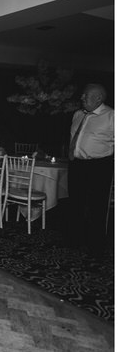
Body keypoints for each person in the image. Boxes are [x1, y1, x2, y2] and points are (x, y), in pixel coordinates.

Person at [68, 83, 114, 251]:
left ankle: (95, 244)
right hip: (76, 164)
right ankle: (75, 239)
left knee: (97, 205)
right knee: (75, 202)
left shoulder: (111, 115)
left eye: (85, 95)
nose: (81, 98)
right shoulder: (78, 114)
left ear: (98, 98)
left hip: (99, 166)